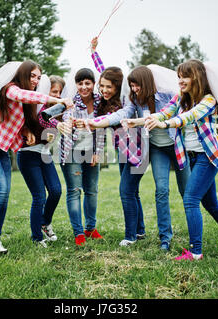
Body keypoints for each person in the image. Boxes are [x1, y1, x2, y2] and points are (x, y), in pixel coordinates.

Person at [90, 37, 192, 251]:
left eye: (136, 85)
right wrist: (96, 122)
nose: (134, 89)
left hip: (174, 146)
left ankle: (194, 235)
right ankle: (165, 238)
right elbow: (121, 110)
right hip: (153, 149)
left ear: (145, 82)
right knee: (161, 190)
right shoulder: (134, 100)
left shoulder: (167, 96)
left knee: (187, 193)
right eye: (131, 85)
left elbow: (184, 113)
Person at [144, 59, 218, 260]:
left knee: (190, 199)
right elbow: (165, 112)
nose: (180, 81)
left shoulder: (208, 100)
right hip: (192, 157)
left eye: (185, 77)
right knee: (211, 203)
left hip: (207, 156)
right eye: (178, 77)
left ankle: (195, 252)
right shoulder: (181, 97)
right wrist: (149, 119)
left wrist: (166, 125)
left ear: (196, 78)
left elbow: (189, 117)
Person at [0, 60, 72, 253]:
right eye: (32, 76)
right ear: (23, 74)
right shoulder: (10, 89)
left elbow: (24, 120)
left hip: (1, 147)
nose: (35, 80)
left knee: (4, 193)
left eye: (38, 77)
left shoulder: (25, 105)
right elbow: (25, 95)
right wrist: (58, 101)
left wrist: (27, 132)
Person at [16, 74, 68, 248]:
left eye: (60, 92)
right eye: (54, 91)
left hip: (45, 155)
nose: (58, 95)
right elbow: (42, 121)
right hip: (28, 154)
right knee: (39, 197)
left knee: (56, 191)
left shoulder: (58, 110)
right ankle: (37, 237)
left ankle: (44, 222)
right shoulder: (34, 108)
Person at [59, 68, 104, 247]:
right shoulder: (72, 102)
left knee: (92, 191)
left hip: (91, 151)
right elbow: (67, 115)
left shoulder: (100, 102)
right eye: (80, 83)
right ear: (76, 85)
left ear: (93, 84)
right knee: (74, 191)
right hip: (72, 151)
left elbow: (101, 129)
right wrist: (70, 123)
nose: (84, 87)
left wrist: (97, 152)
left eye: (88, 83)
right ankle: (78, 233)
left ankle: (90, 228)